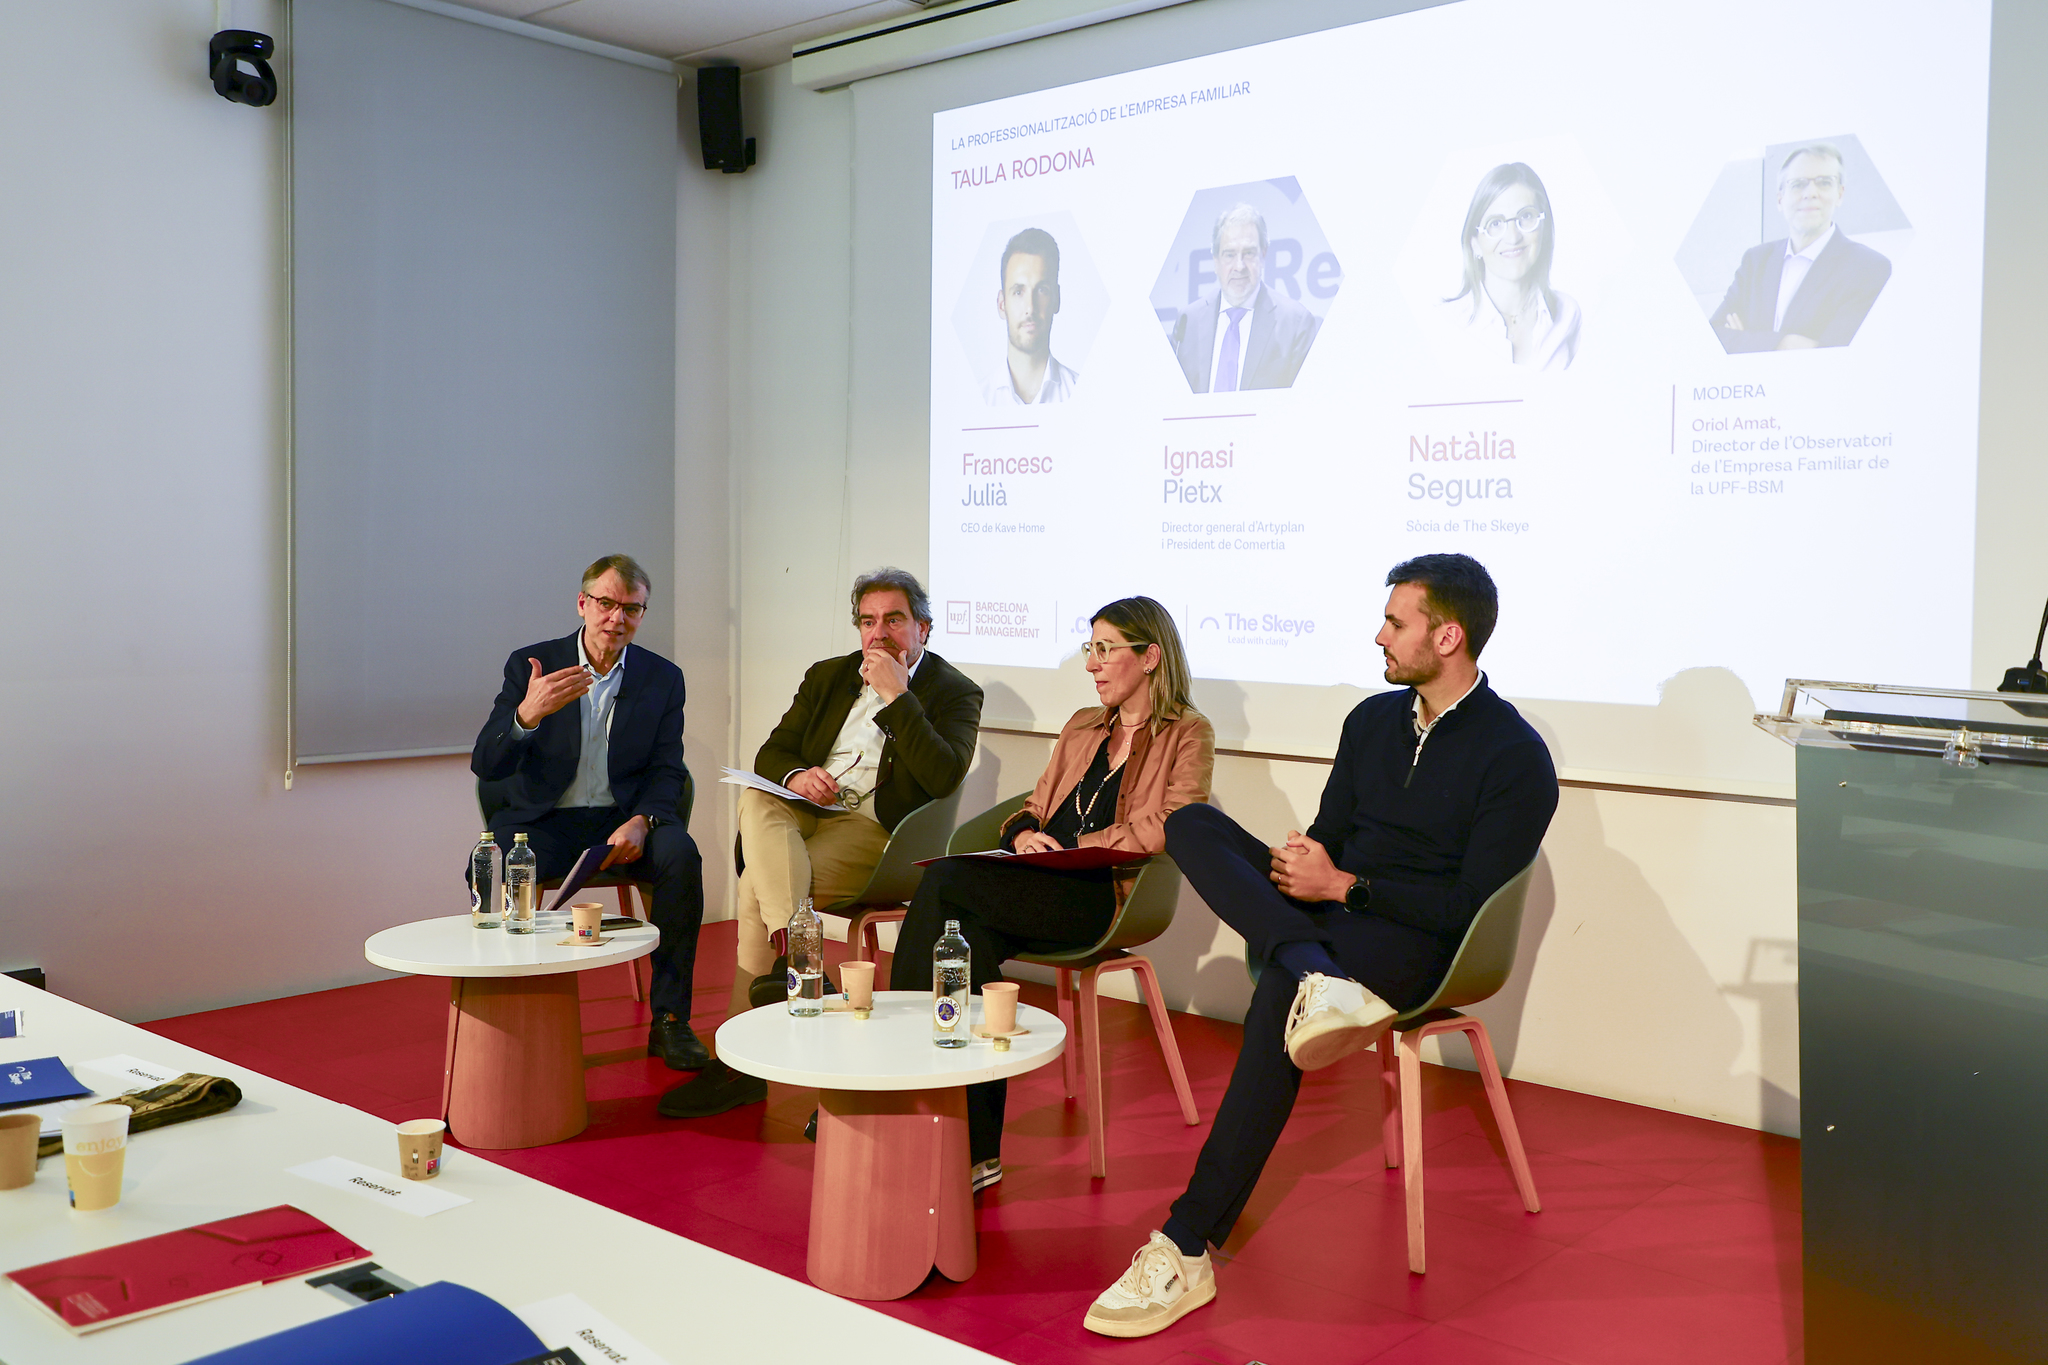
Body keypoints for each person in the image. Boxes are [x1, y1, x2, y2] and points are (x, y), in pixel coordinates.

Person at [1082, 554, 1558, 1339]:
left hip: (1420, 942)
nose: (1379, 635)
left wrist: (1344, 887)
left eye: (1396, 622)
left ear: (1448, 634)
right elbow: (1333, 832)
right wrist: (1307, 862)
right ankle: (1313, 968)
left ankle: (1186, 1243)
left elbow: (1468, 907)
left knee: (1276, 994)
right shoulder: (1371, 720)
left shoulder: (1515, 755)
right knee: (1194, 824)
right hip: (1331, 920)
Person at [890, 597, 1214, 1192]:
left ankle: (891, 1079)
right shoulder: (1081, 726)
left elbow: (1176, 821)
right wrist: (1022, 833)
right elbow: (1033, 805)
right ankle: (975, 1154)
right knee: (966, 943)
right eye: (1089, 649)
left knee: (943, 882)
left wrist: (1077, 847)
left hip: (1097, 896)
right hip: (1032, 885)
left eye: (1104, 649)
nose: (1091, 664)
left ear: (1150, 657)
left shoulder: (1187, 732)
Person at [659, 568, 985, 1118]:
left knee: (752, 888)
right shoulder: (828, 675)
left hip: (882, 832)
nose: (878, 634)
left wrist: (897, 696)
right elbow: (772, 752)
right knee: (758, 801)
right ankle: (802, 960)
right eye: (867, 621)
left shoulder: (953, 692)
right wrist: (796, 777)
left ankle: (741, 1064)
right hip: (807, 811)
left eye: (894, 620)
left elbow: (943, 777)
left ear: (923, 629)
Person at [470, 554, 708, 1070]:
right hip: (543, 823)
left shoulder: (662, 678)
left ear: (643, 614)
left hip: (619, 822)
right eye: (605, 604)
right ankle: (509, 1019)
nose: (616, 619)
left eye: (631, 609)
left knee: (681, 856)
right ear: (582, 604)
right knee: (489, 865)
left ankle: (670, 1021)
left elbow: (669, 770)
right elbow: (486, 763)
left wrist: (643, 819)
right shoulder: (532, 664)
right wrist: (525, 715)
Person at [1712, 143, 1891, 353]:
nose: (1810, 193)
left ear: (1840, 195)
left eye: (1824, 183)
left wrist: (1745, 339)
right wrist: (1784, 343)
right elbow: (1714, 336)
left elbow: (1837, 356)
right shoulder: (1755, 261)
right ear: (1780, 199)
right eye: (1798, 184)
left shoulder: (1869, 268)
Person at [1169, 204, 1320, 393]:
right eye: (1229, 255)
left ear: (1263, 256)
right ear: (1215, 261)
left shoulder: (1296, 324)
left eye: (1248, 253)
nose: (1239, 266)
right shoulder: (1187, 322)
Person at [1443, 163, 1580, 369]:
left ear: (1542, 227)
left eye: (1525, 217)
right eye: (1495, 223)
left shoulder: (1568, 313)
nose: (1513, 237)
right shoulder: (1445, 324)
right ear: (1475, 244)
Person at [985, 228, 1079, 405]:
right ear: (1001, 304)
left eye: (1042, 290)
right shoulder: (980, 398)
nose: (1030, 307)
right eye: (1019, 292)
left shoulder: (1081, 393)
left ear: (1056, 299)